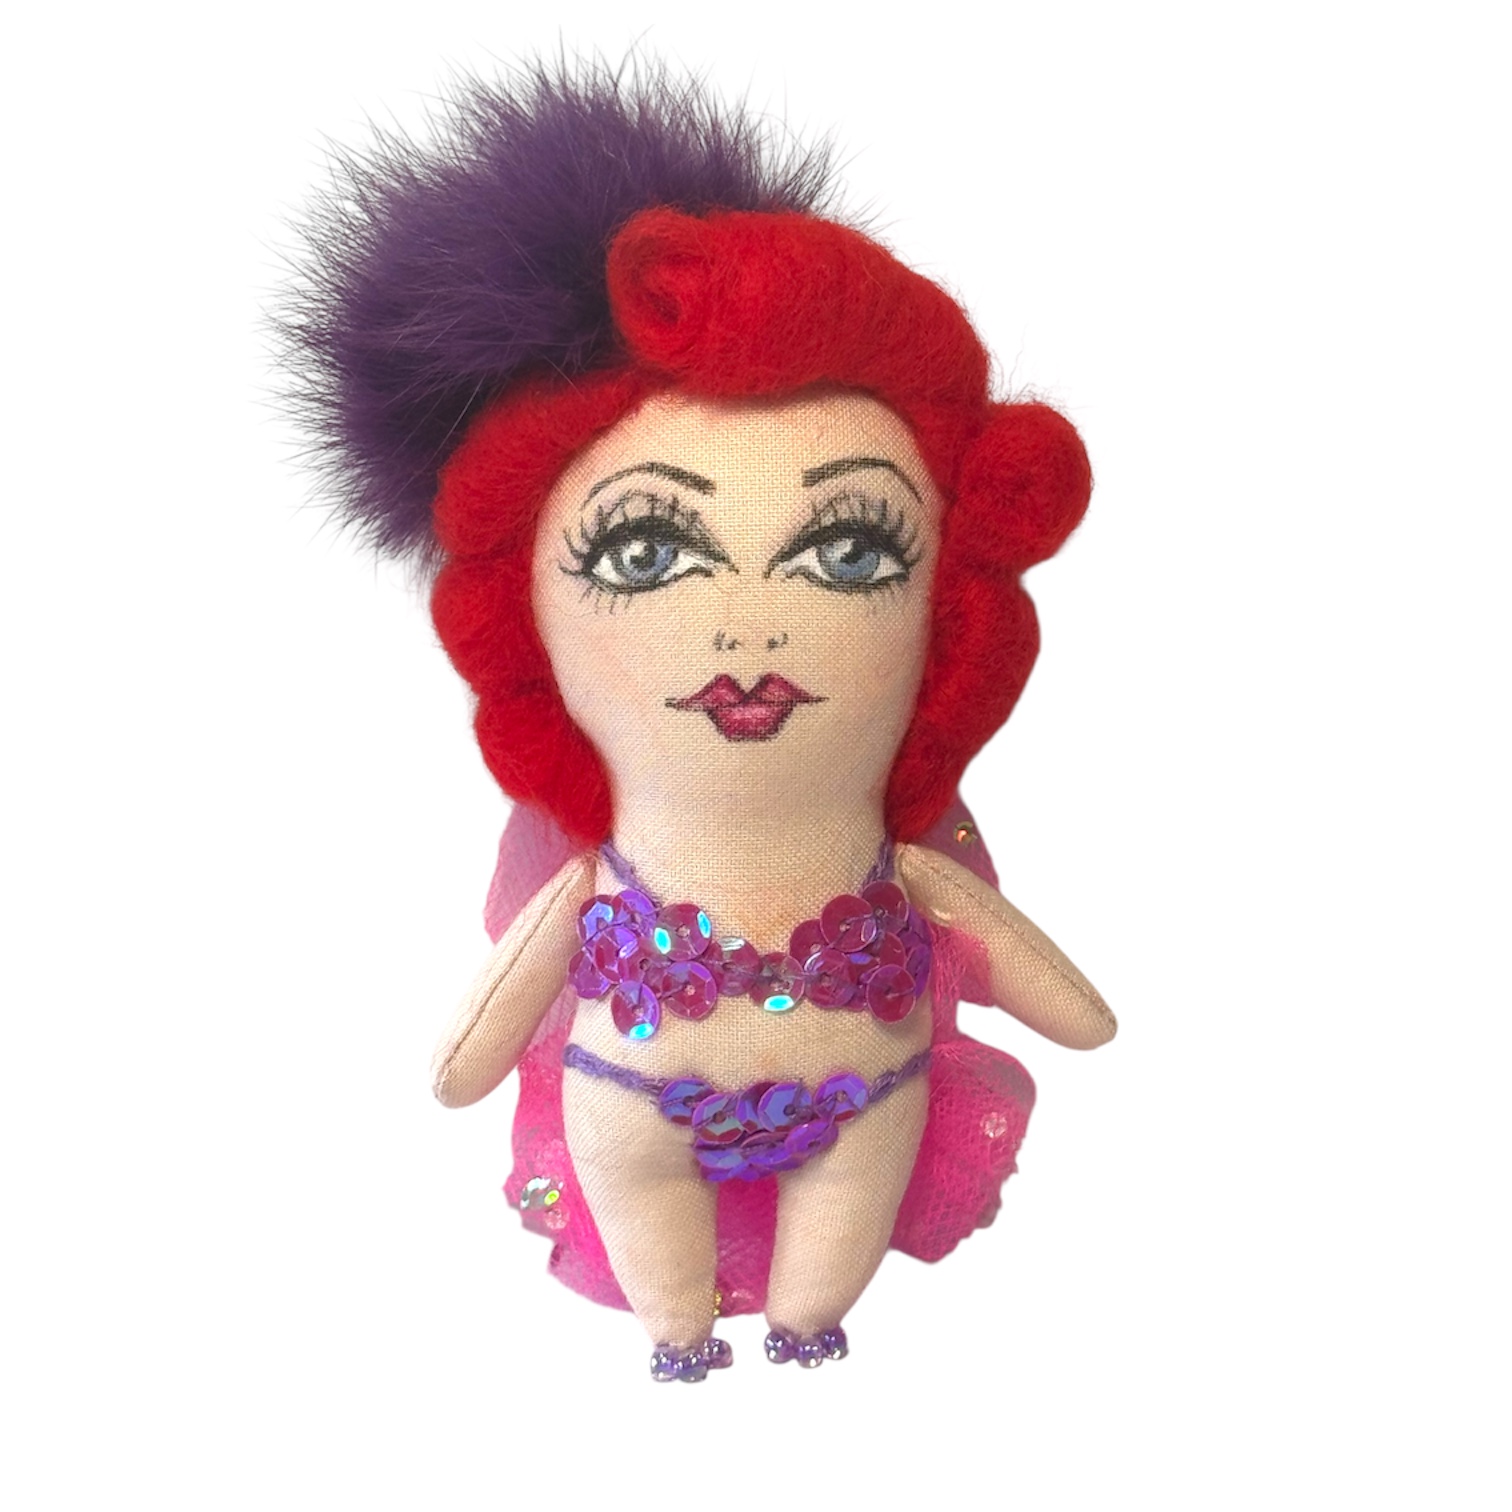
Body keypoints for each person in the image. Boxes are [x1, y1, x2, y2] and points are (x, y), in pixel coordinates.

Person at [283, 59, 1115, 1381]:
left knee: (840, 1207)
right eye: (647, 553)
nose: (750, 622)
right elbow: (474, 1051)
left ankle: (809, 1314)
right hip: (649, 1103)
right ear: (530, 624)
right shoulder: (599, 874)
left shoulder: (893, 861)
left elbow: (1059, 997)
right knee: (649, 1195)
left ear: (944, 614)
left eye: (849, 551)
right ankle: (677, 1328)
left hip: (863, 1096)